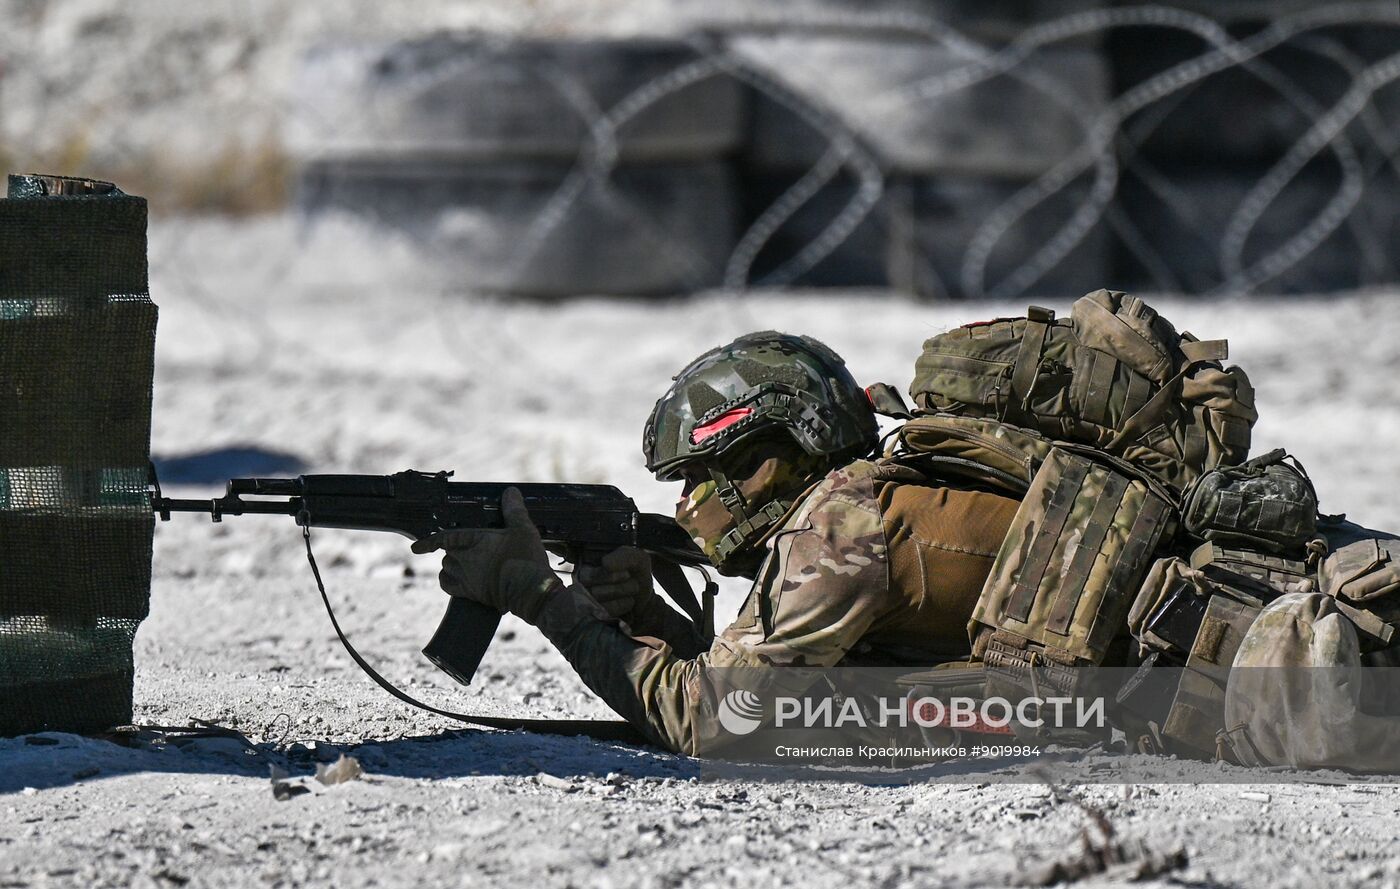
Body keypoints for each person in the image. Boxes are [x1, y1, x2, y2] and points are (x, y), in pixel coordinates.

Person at [412, 332, 1020, 755]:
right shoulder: (867, 499)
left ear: (771, 459)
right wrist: (643, 615)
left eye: (701, 475)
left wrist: (538, 594)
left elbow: (712, 721)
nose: (686, 504)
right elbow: (759, 677)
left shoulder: (840, 530)